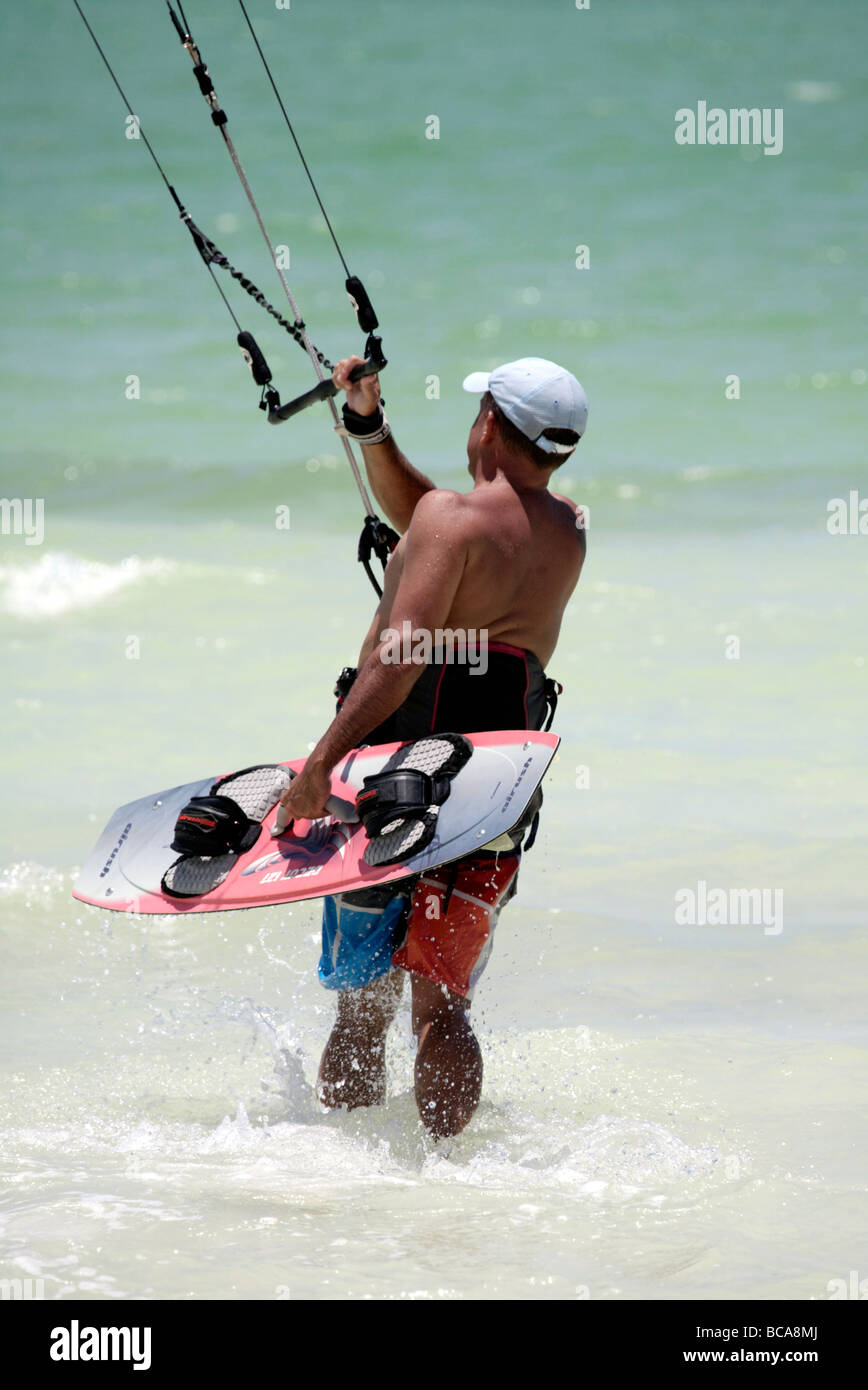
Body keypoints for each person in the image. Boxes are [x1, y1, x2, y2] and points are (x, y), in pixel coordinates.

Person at [279, 355, 589, 1138]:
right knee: (444, 1007)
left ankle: (350, 1176)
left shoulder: (451, 523)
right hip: (496, 796)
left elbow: (401, 654)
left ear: (488, 419)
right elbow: (442, 520)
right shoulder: (565, 531)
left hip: (397, 788)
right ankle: (451, 1184)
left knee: (363, 1010)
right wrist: (369, 425)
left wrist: (319, 764)